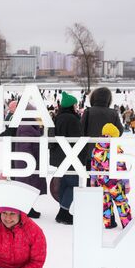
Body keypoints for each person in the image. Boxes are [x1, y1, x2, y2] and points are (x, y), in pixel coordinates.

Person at [50, 92, 86, 225]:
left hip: (60, 157)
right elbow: (77, 138)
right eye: (75, 104)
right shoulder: (72, 119)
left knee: (64, 184)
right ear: (71, 105)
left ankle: (62, 211)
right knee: (73, 184)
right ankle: (63, 213)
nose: (77, 106)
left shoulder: (59, 117)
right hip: (71, 157)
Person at [90, 123, 132, 229]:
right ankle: (127, 224)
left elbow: (93, 166)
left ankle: (109, 223)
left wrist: (93, 180)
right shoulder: (117, 150)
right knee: (121, 202)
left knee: (105, 203)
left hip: (101, 182)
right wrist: (126, 184)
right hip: (115, 183)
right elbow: (122, 168)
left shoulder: (96, 149)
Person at [13, 112, 47, 218]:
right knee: (27, 186)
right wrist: (30, 162)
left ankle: (27, 208)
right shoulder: (27, 127)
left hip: (28, 162)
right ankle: (25, 209)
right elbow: (25, 147)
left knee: (29, 186)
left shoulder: (29, 126)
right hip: (27, 163)